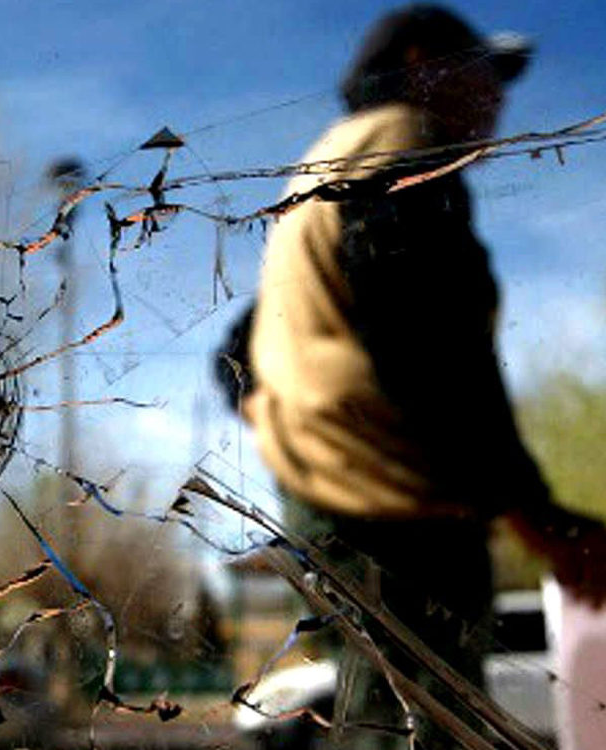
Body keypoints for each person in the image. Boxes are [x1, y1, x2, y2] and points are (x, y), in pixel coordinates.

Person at [233, 5, 606, 748]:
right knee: (420, 726)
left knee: (387, 713)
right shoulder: (405, 141)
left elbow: (244, 343)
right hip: (390, 509)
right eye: (484, 72)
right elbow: (430, 337)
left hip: (336, 495)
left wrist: (286, 423)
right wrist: (537, 515)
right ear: (418, 62)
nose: (498, 98)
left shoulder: (327, 161)